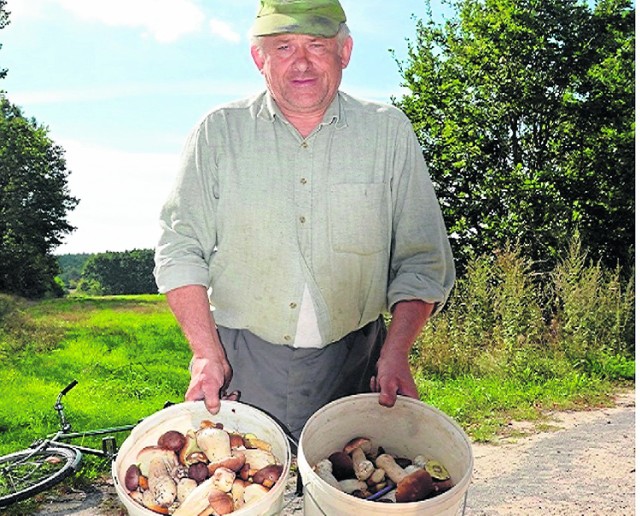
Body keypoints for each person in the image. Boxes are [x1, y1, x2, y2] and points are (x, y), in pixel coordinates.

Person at [154, 0, 455, 440]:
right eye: (282, 47)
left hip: (358, 361)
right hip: (240, 362)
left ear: (345, 52)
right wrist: (205, 354)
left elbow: (424, 258)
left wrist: (396, 353)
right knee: (243, 492)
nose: (301, 62)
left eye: (316, 44)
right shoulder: (218, 132)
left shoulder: (388, 132)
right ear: (259, 58)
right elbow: (179, 249)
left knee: (351, 491)